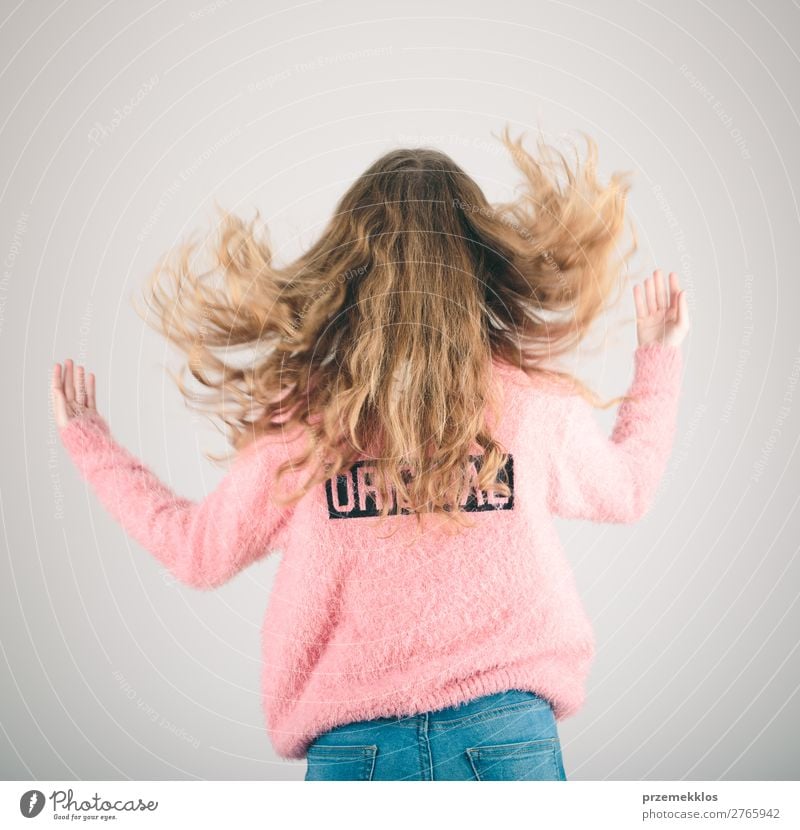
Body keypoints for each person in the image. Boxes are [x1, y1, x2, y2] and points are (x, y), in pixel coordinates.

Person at [52, 126, 689, 781]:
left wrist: (90, 444)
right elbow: (629, 487)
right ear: (477, 258)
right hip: (506, 742)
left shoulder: (304, 421)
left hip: (357, 754)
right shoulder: (530, 402)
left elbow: (197, 550)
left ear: (347, 267)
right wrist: (659, 357)